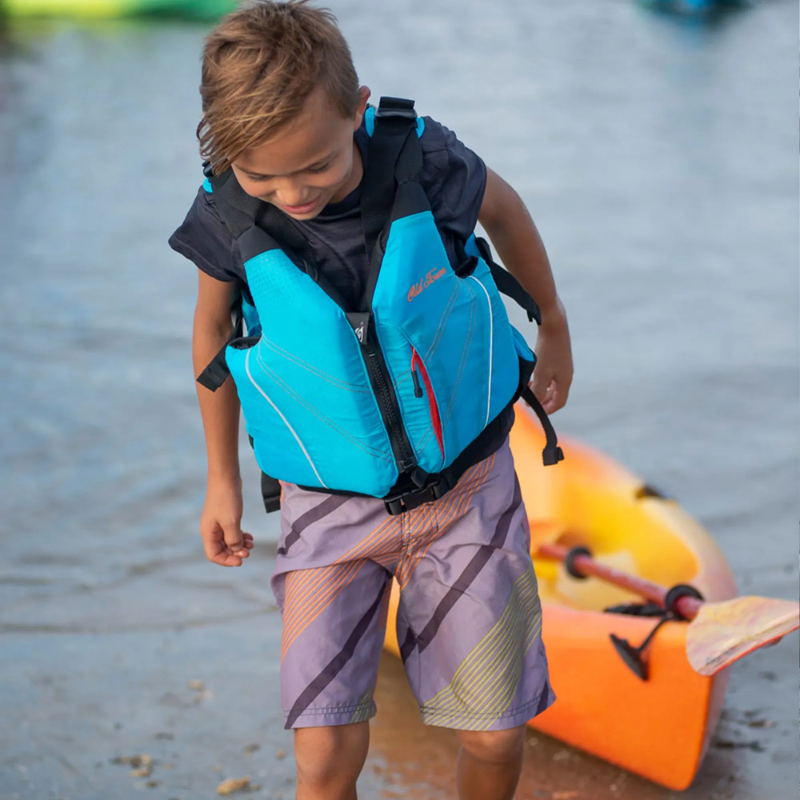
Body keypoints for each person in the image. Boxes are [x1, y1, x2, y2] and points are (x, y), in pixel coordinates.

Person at [168, 2, 573, 798]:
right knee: (322, 758)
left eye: (316, 166)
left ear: (358, 110)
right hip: (327, 508)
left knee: (494, 734)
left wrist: (552, 323)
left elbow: (505, 210)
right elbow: (214, 337)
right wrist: (221, 479)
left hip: (467, 490)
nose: (292, 193)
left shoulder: (429, 164)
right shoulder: (225, 214)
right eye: (262, 176)